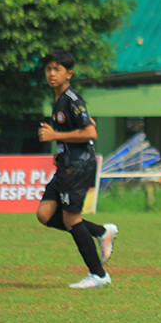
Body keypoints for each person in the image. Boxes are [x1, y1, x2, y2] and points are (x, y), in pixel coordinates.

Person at [36, 49, 118, 289]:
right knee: (46, 215)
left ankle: (98, 275)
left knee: (71, 218)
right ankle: (102, 232)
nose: (51, 73)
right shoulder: (59, 99)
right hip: (66, 164)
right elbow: (88, 123)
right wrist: (61, 147)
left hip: (78, 166)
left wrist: (55, 135)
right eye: (49, 69)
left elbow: (91, 131)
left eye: (57, 69)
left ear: (68, 73)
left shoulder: (72, 99)